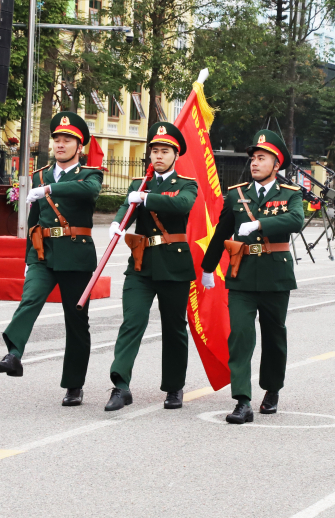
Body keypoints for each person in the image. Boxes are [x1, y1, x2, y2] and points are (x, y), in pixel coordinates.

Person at [0, 112, 102, 407]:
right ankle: (13, 354)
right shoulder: (40, 174)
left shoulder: (90, 174)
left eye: (68, 140)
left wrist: (50, 189)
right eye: (57, 139)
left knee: (76, 322)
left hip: (77, 256)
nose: (61, 144)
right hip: (44, 253)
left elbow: (89, 192)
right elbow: (33, 222)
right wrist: (29, 257)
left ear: (80, 146)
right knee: (30, 298)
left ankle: (74, 385)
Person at [201, 130, 304, 424]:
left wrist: (260, 223)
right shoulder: (236, 194)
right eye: (254, 158)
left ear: (277, 164)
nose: (255, 163)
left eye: (262, 158)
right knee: (241, 336)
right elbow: (221, 232)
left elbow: (296, 221)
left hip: (275, 274)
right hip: (242, 275)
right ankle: (242, 401)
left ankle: (271, 390)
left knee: (274, 336)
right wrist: (208, 268)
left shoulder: (290, 194)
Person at [103, 122, 198, 412]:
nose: (158, 156)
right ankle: (120, 386)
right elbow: (126, 208)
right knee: (132, 322)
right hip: (141, 266)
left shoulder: (186, 184)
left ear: (175, 154)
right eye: (154, 151)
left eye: (164, 151)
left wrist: (146, 198)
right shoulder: (137, 184)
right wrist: (117, 223)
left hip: (174, 265)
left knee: (174, 328)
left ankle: (174, 387)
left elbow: (181, 206)